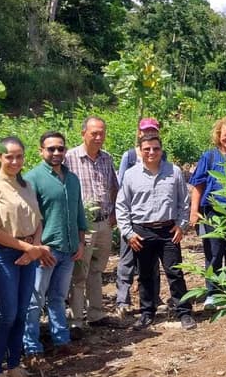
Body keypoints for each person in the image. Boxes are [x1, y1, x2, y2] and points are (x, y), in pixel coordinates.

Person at [0, 137, 54, 377]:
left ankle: (14, 364)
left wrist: (36, 247)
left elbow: (38, 220)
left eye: (19, 156)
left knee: (22, 312)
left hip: (28, 253)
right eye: (9, 156)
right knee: (7, 314)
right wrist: (27, 249)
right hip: (4, 255)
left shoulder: (26, 184)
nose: (15, 161)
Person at [116, 133, 195, 331]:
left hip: (169, 230)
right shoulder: (130, 174)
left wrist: (181, 225)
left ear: (161, 150)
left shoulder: (174, 172)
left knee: (175, 272)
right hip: (142, 231)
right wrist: (128, 232)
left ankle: (184, 312)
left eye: (156, 148)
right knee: (145, 274)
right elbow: (122, 206)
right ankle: (147, 312)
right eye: (147, 149)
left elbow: (184, 202)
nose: (151, 152)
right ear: (140, 151)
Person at [23, 131, 89, 363]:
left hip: (69, 249)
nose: (56, 153)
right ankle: (32, 348)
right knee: (34, 299)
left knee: (58, 297)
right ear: (41, 150)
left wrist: (80, 242)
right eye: (51, 149)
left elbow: (79, 213)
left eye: (60, 148)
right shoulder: (33, 179)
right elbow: (30, 217)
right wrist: (37, 247)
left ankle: (61, 341)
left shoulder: (71, 179)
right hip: (47, 251)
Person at [65, 116, 118, 335]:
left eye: (102, 133)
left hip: (104, 223)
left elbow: (114, 186)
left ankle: (96, 314)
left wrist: (114, 211)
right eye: (94, 133)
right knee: (79, 273)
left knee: (97, 270)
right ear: (83, 133)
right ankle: (76, 320)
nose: (98, 137)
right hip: (83, 225)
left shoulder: (106, 158)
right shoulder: (70, 158)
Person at [115, 117, 166, 318]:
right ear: (139, 133)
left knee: (152, 262)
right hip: (133, 219)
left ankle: (154, 298)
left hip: (153, 220)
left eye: (152, 130)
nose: (148, 133)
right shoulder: (129, 156)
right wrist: (124, 223)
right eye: (145, 131)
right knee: (126, 260)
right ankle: (122, 300)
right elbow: (121, 188)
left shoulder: (161, 154)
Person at [189, 115, 226, 305]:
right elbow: (198, 185)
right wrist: (194, 211)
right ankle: (212, 291)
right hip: (212, 210)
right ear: (219, 135)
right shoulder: (209, 156)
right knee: (213, 252)